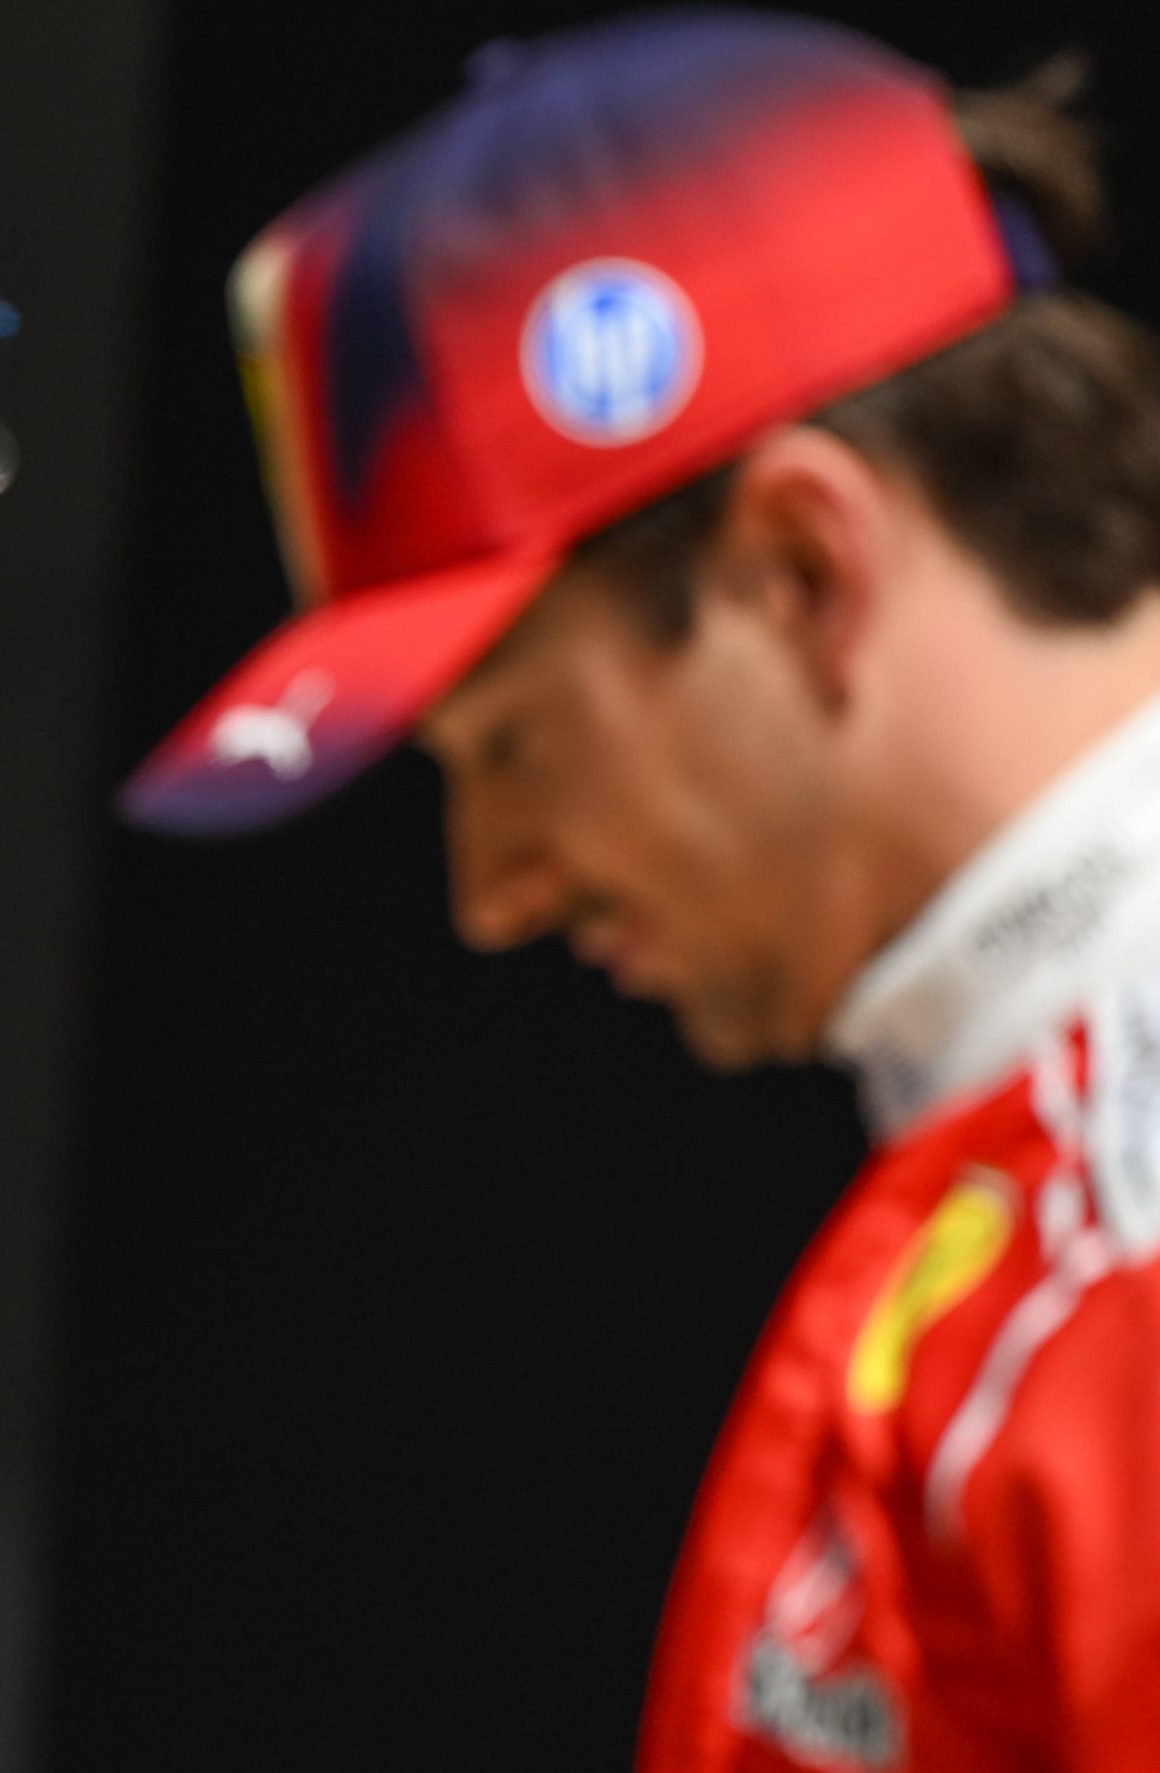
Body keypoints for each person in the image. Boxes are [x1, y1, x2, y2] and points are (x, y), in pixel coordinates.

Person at [122, 11, 1160, 1770]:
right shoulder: (1044, 1122)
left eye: (512, 748)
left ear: (802, 567)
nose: (494, 894)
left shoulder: (1127, 1196)